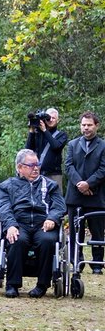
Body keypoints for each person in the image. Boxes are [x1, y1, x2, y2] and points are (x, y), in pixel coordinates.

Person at [0, 149, 67, 297]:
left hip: (42, 223)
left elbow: (60, 206)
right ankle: (12, 285)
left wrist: (52, 218)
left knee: (47, 241)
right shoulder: (7, 186)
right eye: (31, 165)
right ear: (19, 167)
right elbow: (3, 208)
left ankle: (42, 285)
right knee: (16, 240)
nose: (35, 168)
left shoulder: (50, 185)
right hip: (19, 223)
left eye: (37, 164)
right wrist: (10, 225)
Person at [65, 111, 105, 275]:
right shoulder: (73, 144)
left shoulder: (103, 145)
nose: (86, 128)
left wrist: (89, 184)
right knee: (76, 231)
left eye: (89, 125)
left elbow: (103, 169)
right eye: (83, 125)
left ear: (96, 126)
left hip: (96, 196)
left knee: (97, 231)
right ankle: (76, 261)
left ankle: (96, 264)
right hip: (75, 196)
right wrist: (80, 184)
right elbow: (68, 166)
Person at [26, 108, 67, 191]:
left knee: (55, 201)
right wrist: (31, 131)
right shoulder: (38, 134)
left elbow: (56, 146)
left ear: (58, 120)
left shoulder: (62, 135)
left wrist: (45, 130)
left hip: (54, 175)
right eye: (49, 118)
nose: (50, 120)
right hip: (37, 174)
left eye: (53, 118)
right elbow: (28, 150)